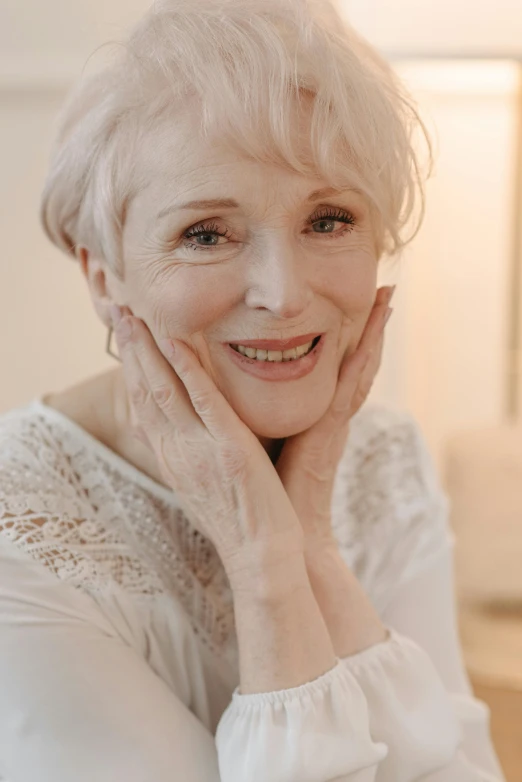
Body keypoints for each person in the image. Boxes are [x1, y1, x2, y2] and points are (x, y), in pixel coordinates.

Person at [0, 0, 506, 779]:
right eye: (207, 233)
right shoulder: (17, 519)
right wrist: (271, 571)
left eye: (329, 219)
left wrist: (311, 541)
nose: (284, 292)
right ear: (105, 278)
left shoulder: (382, 456)